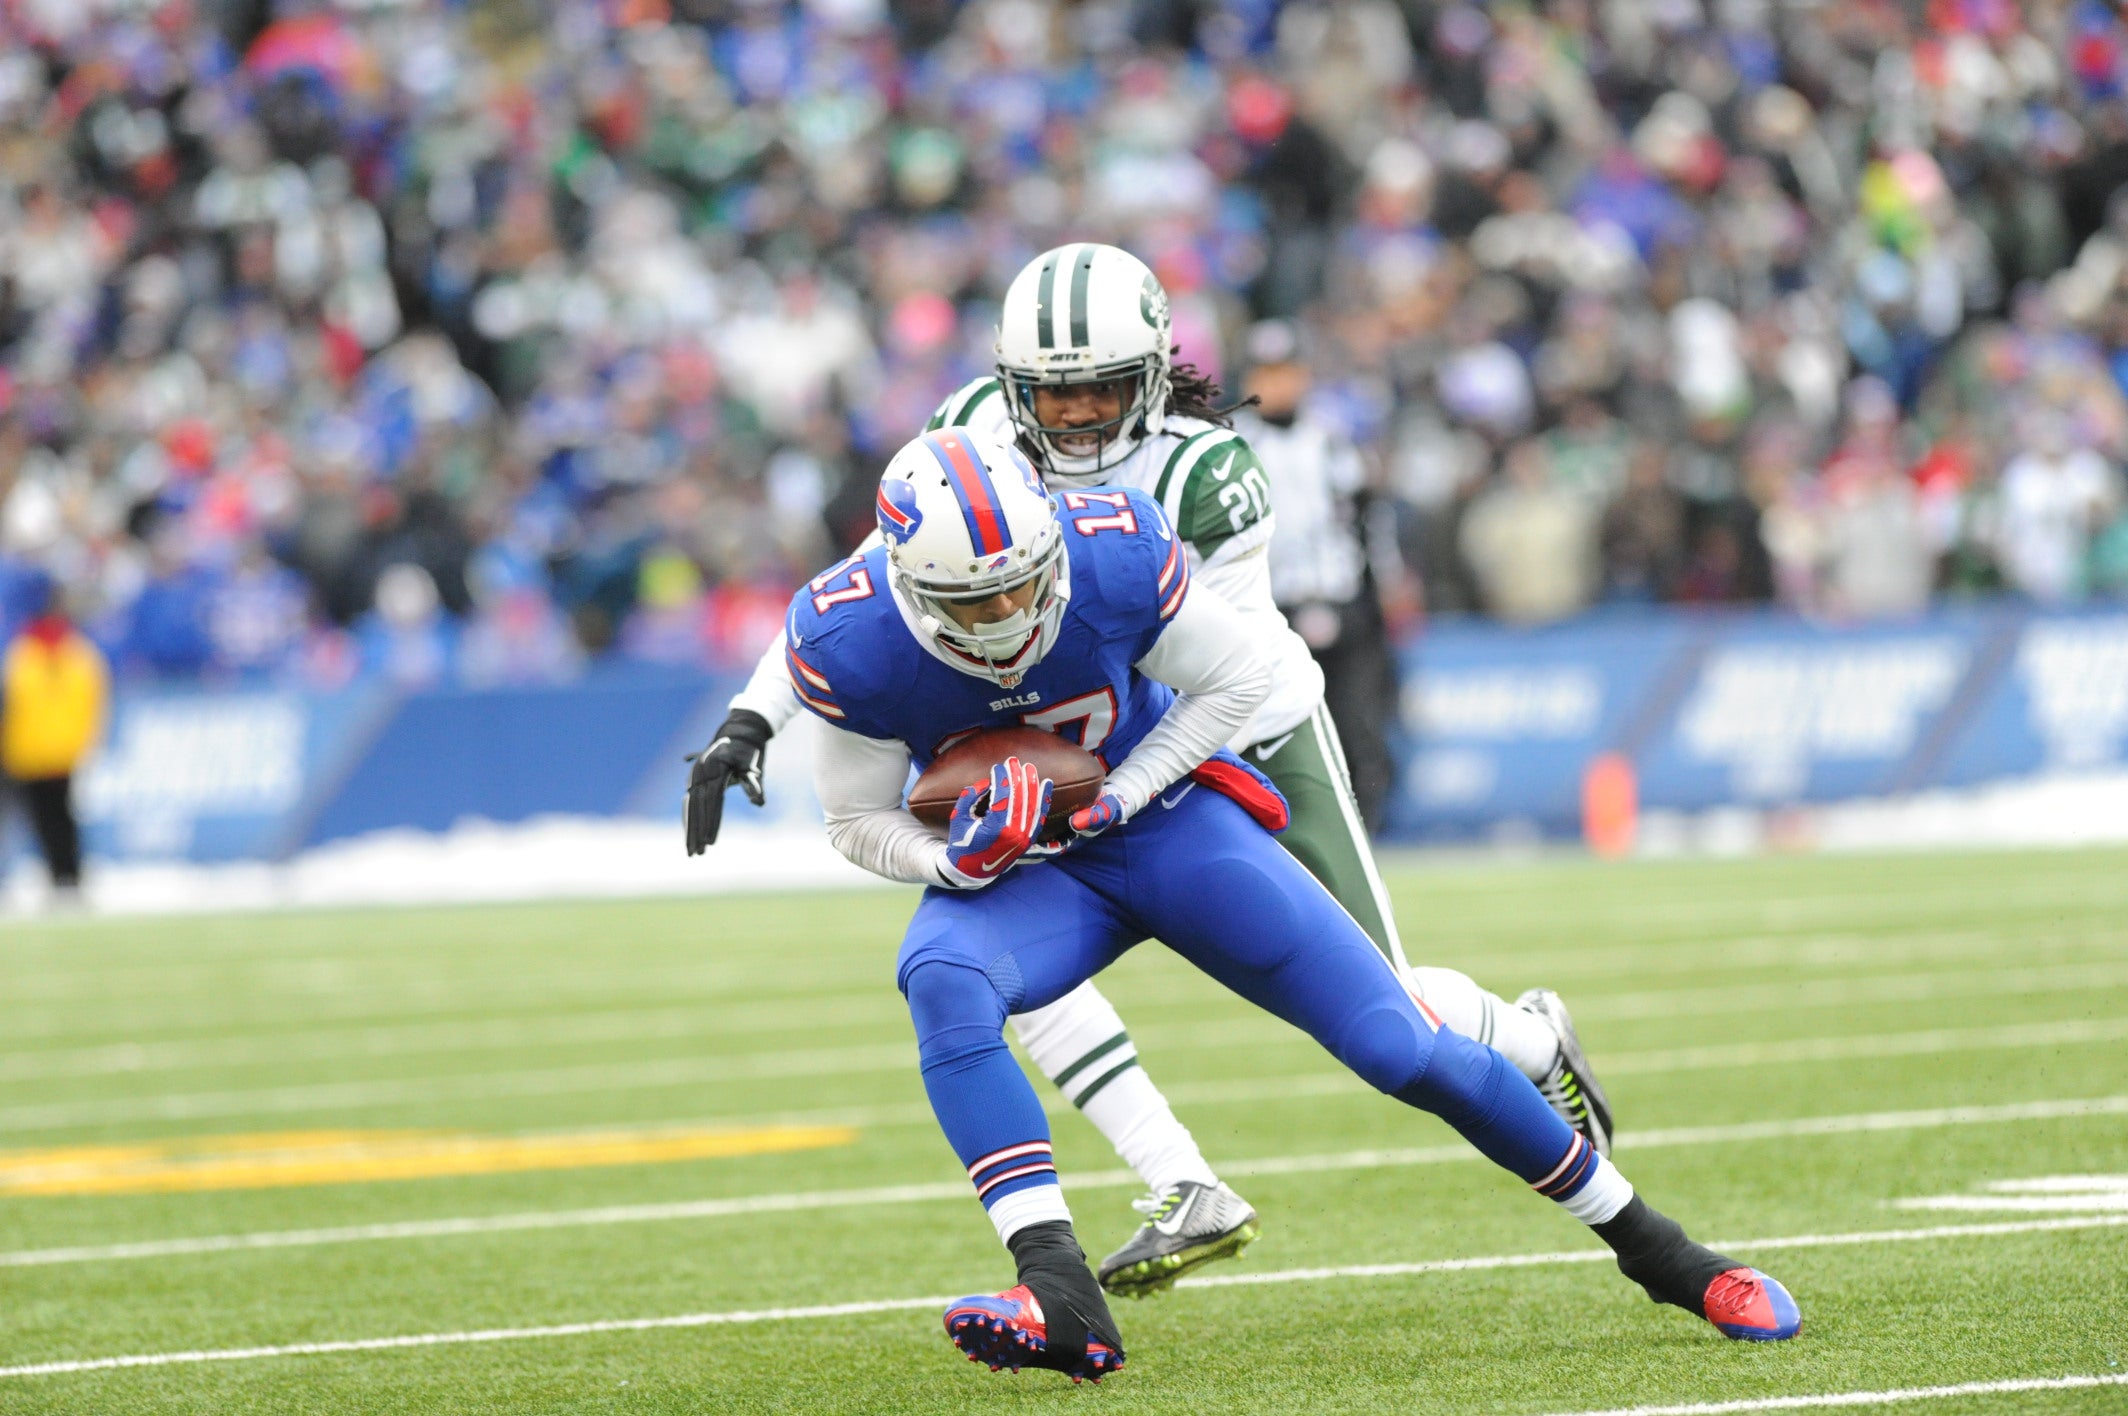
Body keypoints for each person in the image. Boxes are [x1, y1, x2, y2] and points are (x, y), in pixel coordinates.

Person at [687, 243, 1612, 1297]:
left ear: (1156, 372)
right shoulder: (971, 429)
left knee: (1389, 1007)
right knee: (993, 950)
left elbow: (1211, 668)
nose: (1079, 413)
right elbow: (875, 577)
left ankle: (1532, 1038)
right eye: (1055, 391)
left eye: (1103, 386)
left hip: (1235, 727)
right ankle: (1184, 1181)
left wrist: (1073, 757)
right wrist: (753, 717)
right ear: (1010, 383)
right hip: (1078, 733)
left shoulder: (1203, 472)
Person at [786, 428, 1799, 1380]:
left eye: (1021, 584)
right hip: (1031, 872)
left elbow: (1239, 679)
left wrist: (1123, 793)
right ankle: (1059, 1291)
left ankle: (1663, 1252)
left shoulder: (1110, 552)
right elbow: (856, 819)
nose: (1010, 616)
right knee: (941, 975)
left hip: (1169, 822)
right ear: (913, 590)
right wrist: (955, 863)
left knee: (1402, 1046)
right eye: (976, 605)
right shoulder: (852, 635)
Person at [1230, 319, 1399, 830]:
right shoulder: (1233, 446)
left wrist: (1387, 587)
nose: (1277, 384)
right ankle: (1290, 830)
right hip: (1270, 607)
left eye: (1286, 372)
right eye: (1266, 373)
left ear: (1303, 375)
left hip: (1340, 597)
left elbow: (1368, 517)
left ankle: (1365, 830)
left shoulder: (1330, 439)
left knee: (1355, 720)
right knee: (1273, 726)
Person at [2, 574, 110, 903]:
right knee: (49, 818)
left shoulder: (28, 654)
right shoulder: (50, 654)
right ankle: (62, 877)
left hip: (39, 751)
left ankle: (66, 877)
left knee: (54, 819)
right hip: (34, 751)